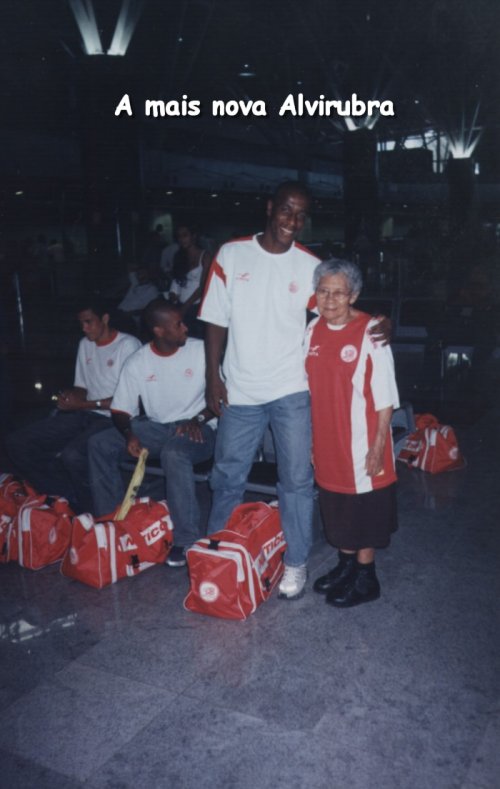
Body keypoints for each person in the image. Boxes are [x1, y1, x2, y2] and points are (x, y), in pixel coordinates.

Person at [88, 299, 216, 567]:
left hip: (200, 427)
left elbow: (222, 397)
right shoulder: (139, 361)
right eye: (178, 324)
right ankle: (113, 526)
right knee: (99, 444)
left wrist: (198, 418)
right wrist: (129, 434)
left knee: (174, 453)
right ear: (159, 331)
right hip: (158, 427)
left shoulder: (201, 351)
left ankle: (186, 539)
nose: (185, 328)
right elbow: (121, 409)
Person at [305, 258, 399, 607]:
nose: (329, 300)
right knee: (337, 503)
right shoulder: (312, 330)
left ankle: (366, 576)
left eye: (339, 293)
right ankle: (345, 566)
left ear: (353, 296)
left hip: (363, 439)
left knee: (364, 506)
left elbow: (386, 397)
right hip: (327, 437)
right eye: (323, 291)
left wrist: (378, 446)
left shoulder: (372, 333)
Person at [5, 299, 141, 512]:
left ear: (105, 319)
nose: (84, 328)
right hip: (86, 414)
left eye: (89, 322)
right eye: (81, 324)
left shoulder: (128, 345)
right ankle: (65, 496)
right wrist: (70, 397)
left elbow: (128, 399)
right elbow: (82, 387)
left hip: (117, 420)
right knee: (17, 443)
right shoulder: (85, 344)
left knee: (74, 454)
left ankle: (88, 508)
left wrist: (83, 404)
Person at [165, 224, 211, 337]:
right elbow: (176, 280)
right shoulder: (179, 256)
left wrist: (185, 307)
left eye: (185, 235)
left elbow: (203, 286)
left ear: (193, 236)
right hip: (180, 304)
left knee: (195, 338)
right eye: (179, 236)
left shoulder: (205, 256)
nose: (182, 239)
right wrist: (173, 294)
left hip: (196, 306)